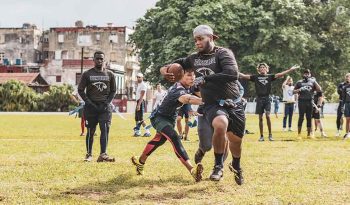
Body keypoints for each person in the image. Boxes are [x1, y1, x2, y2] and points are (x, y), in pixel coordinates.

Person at [161, 25, 245, 185]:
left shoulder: (223, 53)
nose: (197, 43)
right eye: (195, 40)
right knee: (220, 124)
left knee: (235, 141)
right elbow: (173, 65)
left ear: (211, 38)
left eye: (200, 39)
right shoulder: (194, 58)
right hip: (212, 104)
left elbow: (232, 74)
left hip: (233, 102)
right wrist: (163, 70)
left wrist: (206, 79)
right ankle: (218, 166)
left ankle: (236, 165)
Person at [131, 69, 204, 182]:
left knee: (159, 140)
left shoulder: (187, 86)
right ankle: (193, 170)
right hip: (159, 118)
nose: (193, 77)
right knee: (174, 137)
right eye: (189, 75)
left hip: (169, 119)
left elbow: (196, 93)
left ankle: (140, 162)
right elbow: (187, 98)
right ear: (181, 76)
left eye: (194, 75)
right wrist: (205, 101)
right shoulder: (178, 89)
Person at [239, 63, 298, 141]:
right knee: (260, 118)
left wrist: (290, 70)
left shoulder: (270, 77)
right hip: (259, 99)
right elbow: (243, 76)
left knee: (268, 115)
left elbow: (280, 74)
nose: (262, 68)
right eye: (261, 67)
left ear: (267, 69)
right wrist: (232, 69)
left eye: (264, 67)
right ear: (258, 69)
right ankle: (261, 136)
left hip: (267, 99)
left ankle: (270, 135)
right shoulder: (255, 77)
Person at [78, 51, 116, 162]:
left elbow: (113, 90)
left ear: (104, 60)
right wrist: (89, 102)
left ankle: (103, 154)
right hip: (91, 108)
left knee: (104, 130)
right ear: (93, 60)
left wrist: (107, 102)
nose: (99, 60)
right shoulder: (87, 74)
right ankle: (89, 154)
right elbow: (80, 90)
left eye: (101, 59)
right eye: (97, 58)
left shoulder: (110, 74)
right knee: (90, 131)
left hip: (105, 108)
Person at [293, 69, 322, 139]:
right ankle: (299, 134)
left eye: (308, 74)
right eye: (305, 74)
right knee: (301, 117)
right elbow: (293, 91)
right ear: (303, 75)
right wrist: (299, 90)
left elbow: (319, 89)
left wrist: (314, 81)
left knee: (309, 118)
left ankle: (309, 134)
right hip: (301, 101)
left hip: (309, 101)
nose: (306, 75)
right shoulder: (299, 82)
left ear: (310, 74)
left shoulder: (312, 81)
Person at [133, 73, 151, 137]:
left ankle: (148, 132)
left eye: (139, 77)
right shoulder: (138, 85)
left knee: (141, 118)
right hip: (138, 101)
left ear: (142, 78)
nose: (138, 78)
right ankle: (138, 132)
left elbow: (142, 96)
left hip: (141, 102)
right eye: (137, 77)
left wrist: (139, 105)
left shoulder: (143, 85)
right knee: (136, 118)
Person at [342, 73, 350, 140]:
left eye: (349, 77)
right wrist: (342, 106)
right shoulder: (345, 87)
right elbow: (343, 98)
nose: (347, 79)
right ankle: (347, 133)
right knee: (347, 119)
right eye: (347, 77)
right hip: (347, 104)